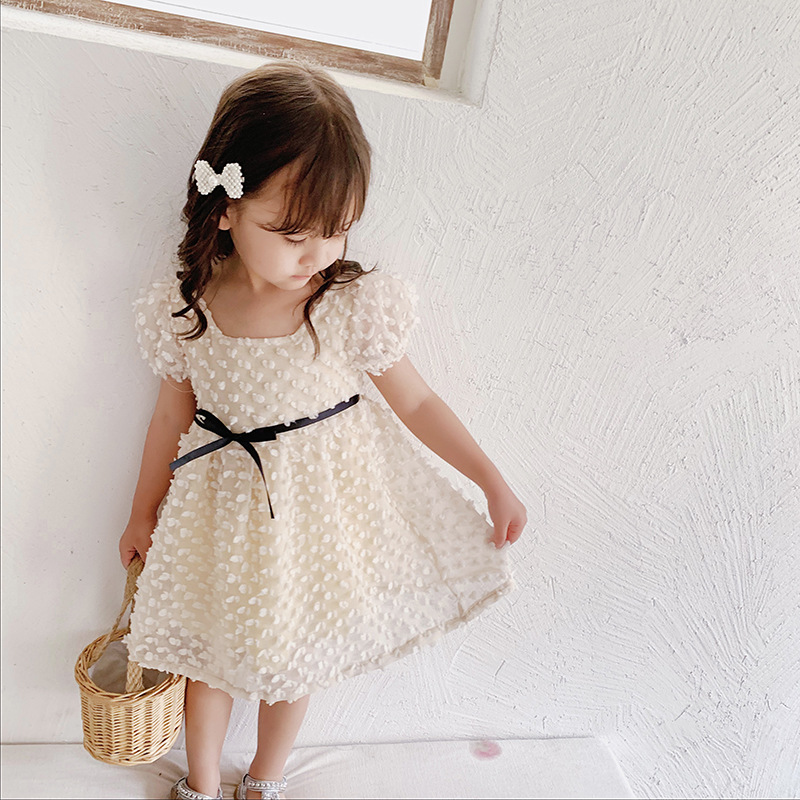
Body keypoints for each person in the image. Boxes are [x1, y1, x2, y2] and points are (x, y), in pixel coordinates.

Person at [119, 61, 526, 800]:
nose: (317, 255)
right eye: (292, 233)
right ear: (225, 209)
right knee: (208, 658)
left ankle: (266, 778)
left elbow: (418, 403)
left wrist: (490, 480)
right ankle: (201, 782)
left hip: (312, 522)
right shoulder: (189, 309)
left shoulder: (345, 305)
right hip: (219, 519)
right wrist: (143, 510)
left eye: (336, 231)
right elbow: (170, 420)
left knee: (295, 656)